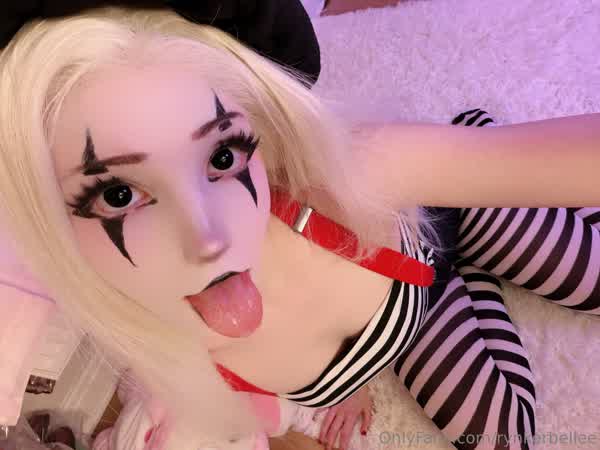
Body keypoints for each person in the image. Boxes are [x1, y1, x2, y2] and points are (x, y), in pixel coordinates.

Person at [1, 4, 600, 450]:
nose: (208, 238)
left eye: (223, 155)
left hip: (444, 212)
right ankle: (476, 280)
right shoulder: (158, 347)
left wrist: (474, 167)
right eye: (120, 194)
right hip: (426, 306)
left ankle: (471, 148)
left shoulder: (346, 174)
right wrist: (350, 385)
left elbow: (561, 160)